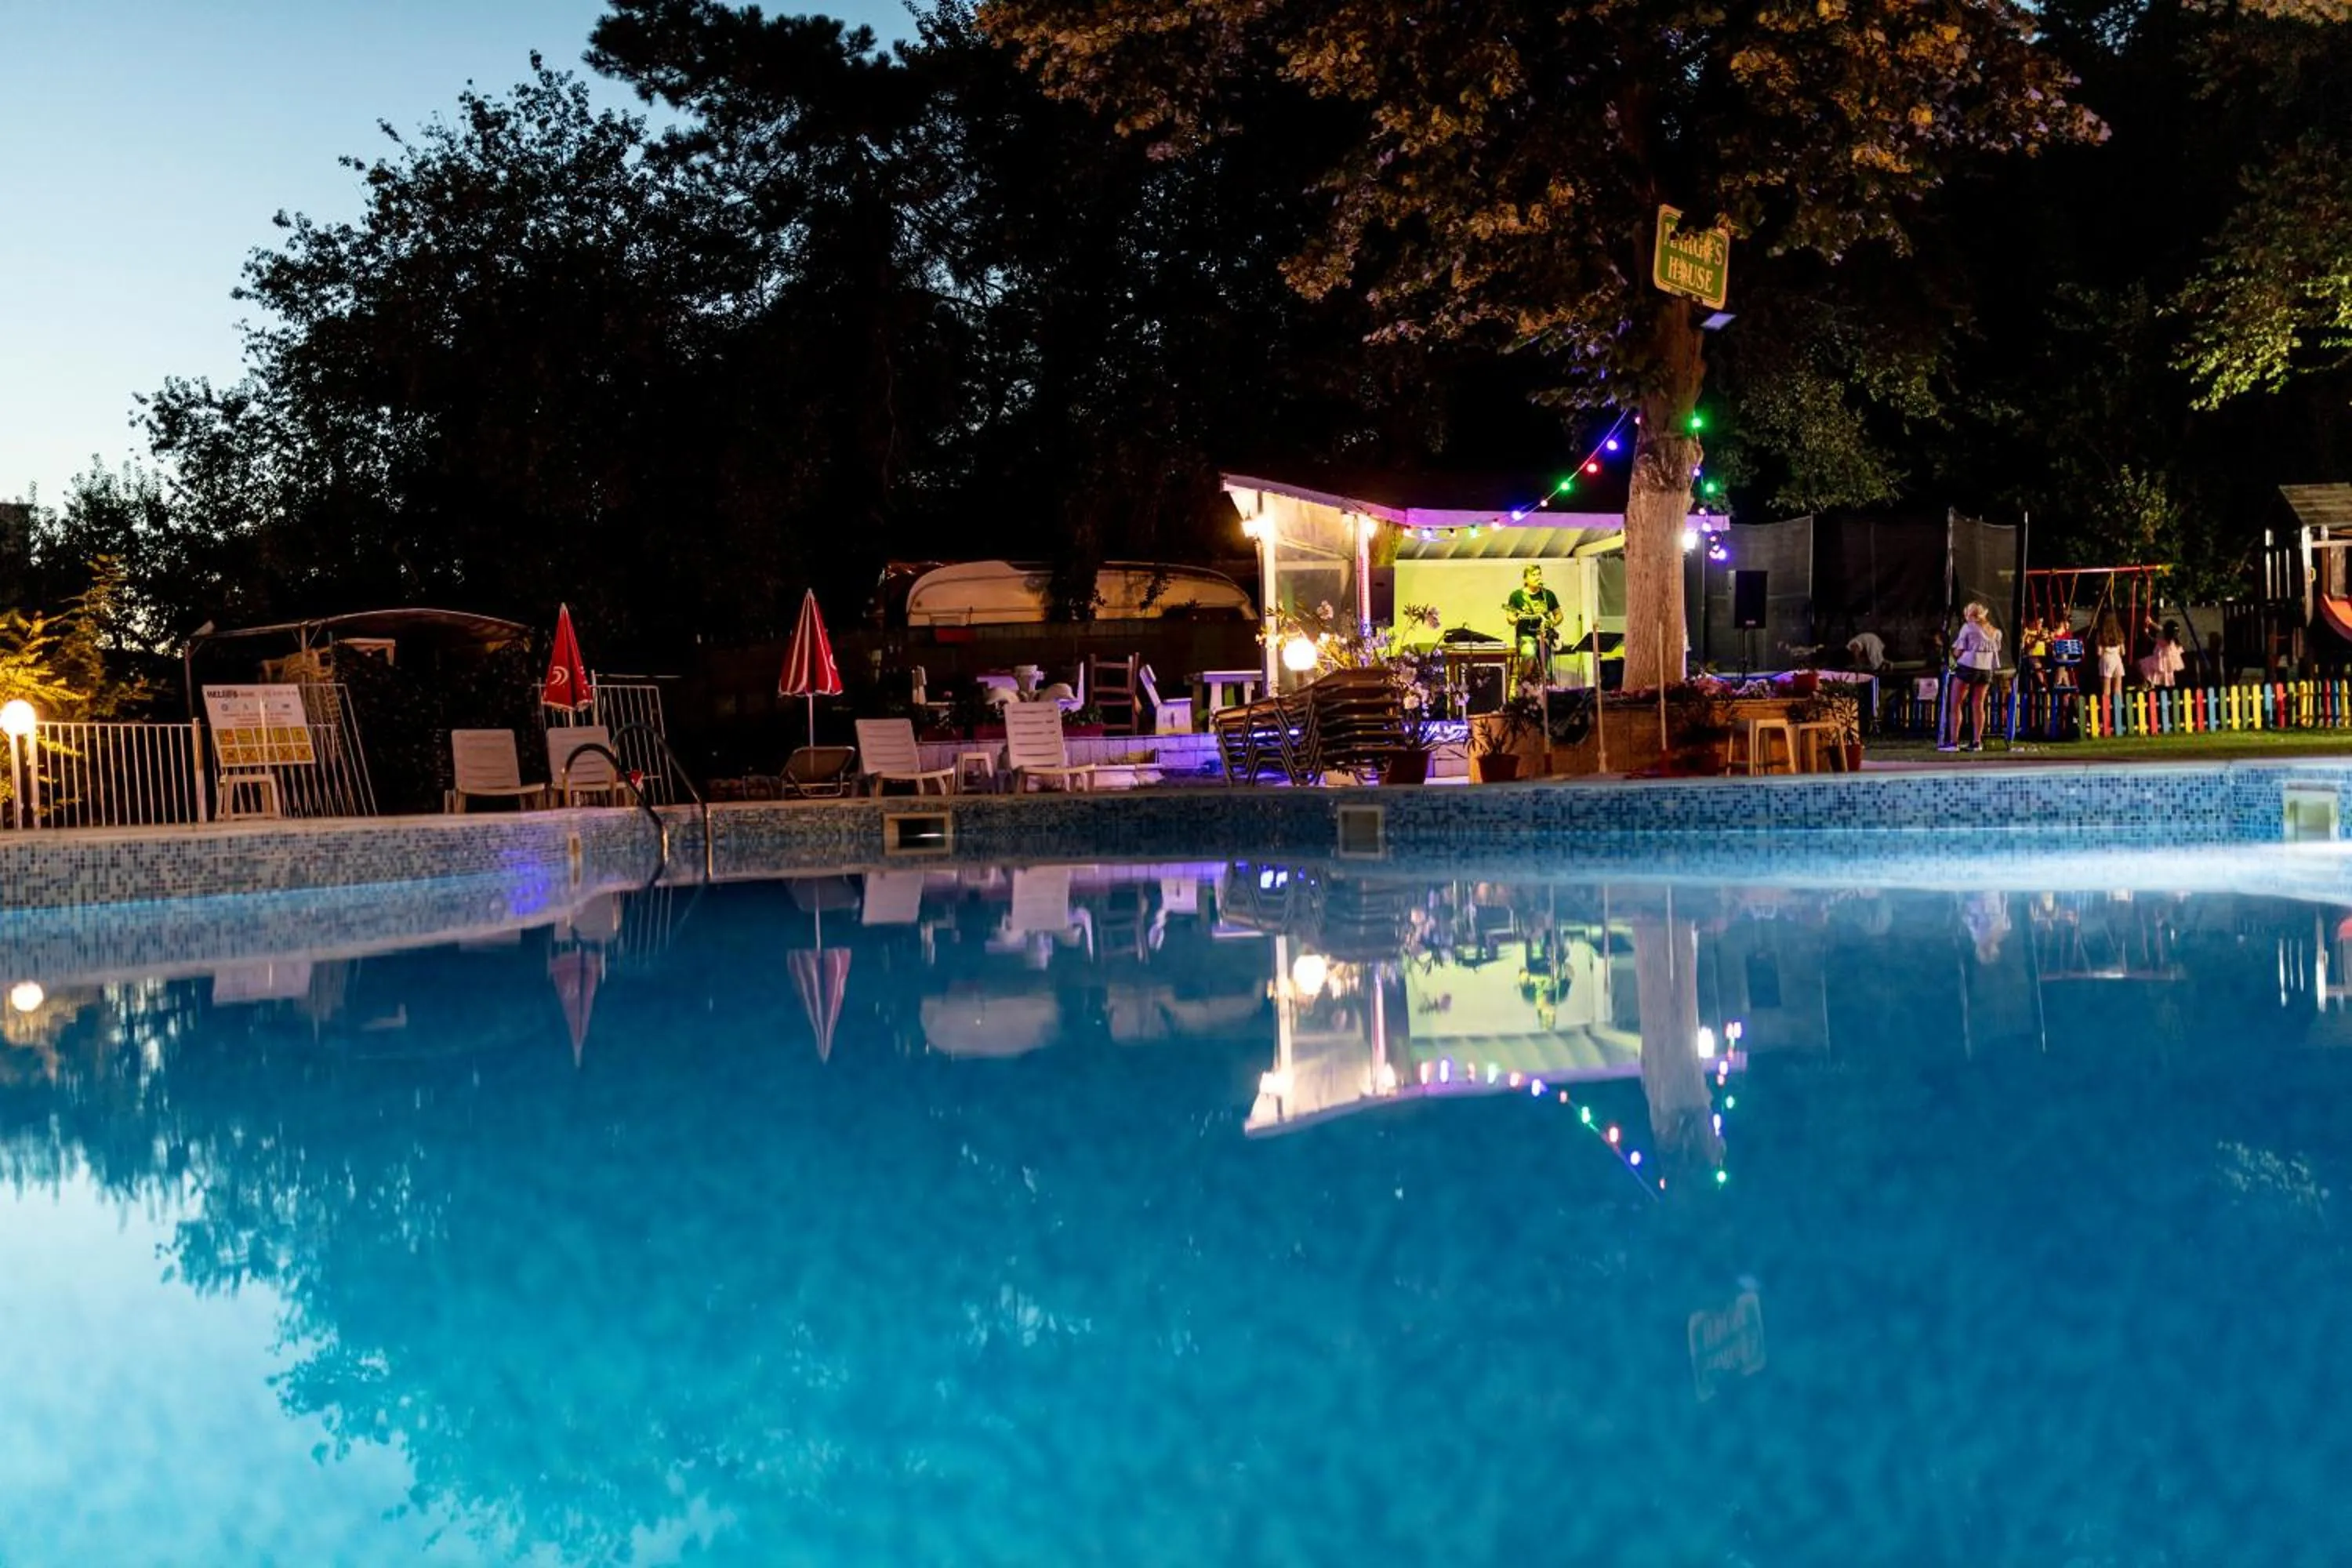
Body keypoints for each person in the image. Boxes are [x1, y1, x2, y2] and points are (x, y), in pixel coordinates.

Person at [1941, 601, 2003, 752]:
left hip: (1968, 667)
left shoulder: (1968, 628)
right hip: (1986, 670)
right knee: (1978, 705)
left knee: (1955, 704)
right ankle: (1977, 742)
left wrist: (1951, 653)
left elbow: (1959, 651)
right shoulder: (1995, 631)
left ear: (1970, 615)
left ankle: (1953, 743)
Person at [1503, 564, 1563, 691]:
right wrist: (1517, 618)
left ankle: (1548, 695)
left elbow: (1559, 615)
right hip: (1526, 635)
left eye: (1539, 574)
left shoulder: (1548, 595)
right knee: (1529, 654)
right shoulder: (1517, 596)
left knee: (1548, 671)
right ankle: (1524, 686)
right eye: (1533, 575)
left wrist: (1552, 623)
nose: (1537, 577)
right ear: (1525, 579)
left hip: (1544, 636)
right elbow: (1510, 617)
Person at [2094, 613, 2127, 717]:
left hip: (2106, 659)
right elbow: (2123, 652)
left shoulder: (2101, 634)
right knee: (2118, 689)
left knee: (2106, 690)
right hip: (2117, 660)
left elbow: (2099, 652)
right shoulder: (2119, 633)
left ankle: (2106, 714)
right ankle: (2119, 715)